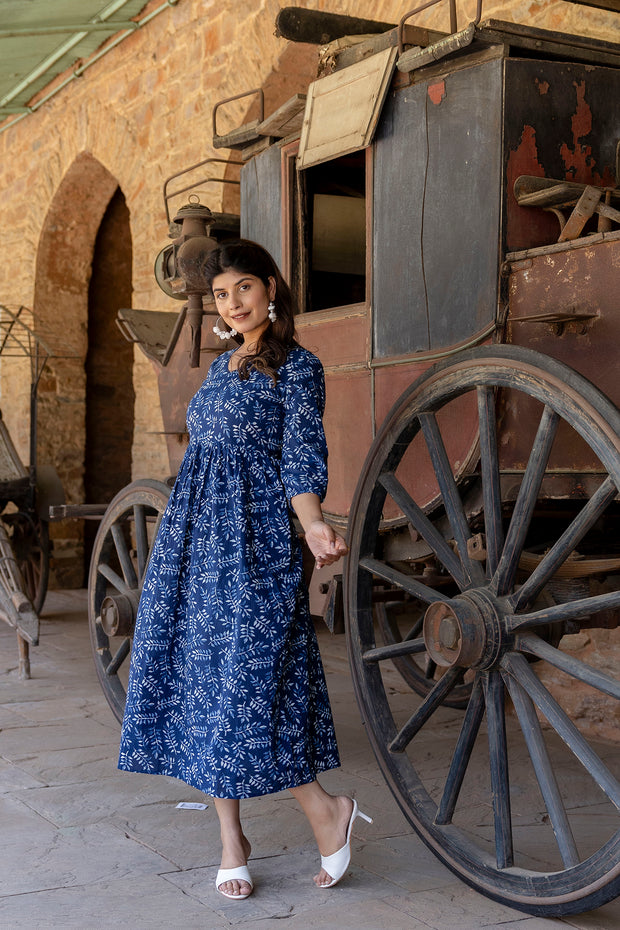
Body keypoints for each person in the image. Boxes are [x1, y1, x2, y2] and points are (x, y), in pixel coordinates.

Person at [118, 239, 371, 900]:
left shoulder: (298, 367)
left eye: (244, 288)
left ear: (270, 289)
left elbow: (301, 454)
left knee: (255, 680)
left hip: (255, 539)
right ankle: (232, 840)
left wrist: (312, 522)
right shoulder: (220, 367)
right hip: (195, 540)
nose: (233, 303)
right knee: (204, 679)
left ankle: (325, 809)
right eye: (222, 294)